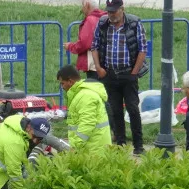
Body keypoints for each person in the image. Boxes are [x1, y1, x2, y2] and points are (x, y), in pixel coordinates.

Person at [90, 0, 147, 155]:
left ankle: (138, 146)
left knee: (133, 109)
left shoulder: (134, 23)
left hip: (128, 74)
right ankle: (121, 145)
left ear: (122, 9)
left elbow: (142, 49)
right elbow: (94, 46)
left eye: (114, 11)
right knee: (115, 111)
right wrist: (99, 68)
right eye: (109, 11)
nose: (111, 15)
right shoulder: (103, 24)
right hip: (109, 74)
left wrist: (134, 72)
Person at [56, 64, 111, 152]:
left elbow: (87, 124)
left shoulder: (86, 96)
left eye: (62, 83)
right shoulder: (80, 94)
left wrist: (74, 147)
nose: (62, 87)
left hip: (93, 150)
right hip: (90, 146)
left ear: (70, 81)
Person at [64, 0, 106, 80]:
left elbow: (84, 43)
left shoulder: (90, 20)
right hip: (106, 63)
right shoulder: (104, 17)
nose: (82, 9)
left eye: (82, 5)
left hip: (93, 64)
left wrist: (70, 46)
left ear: (86, 5)